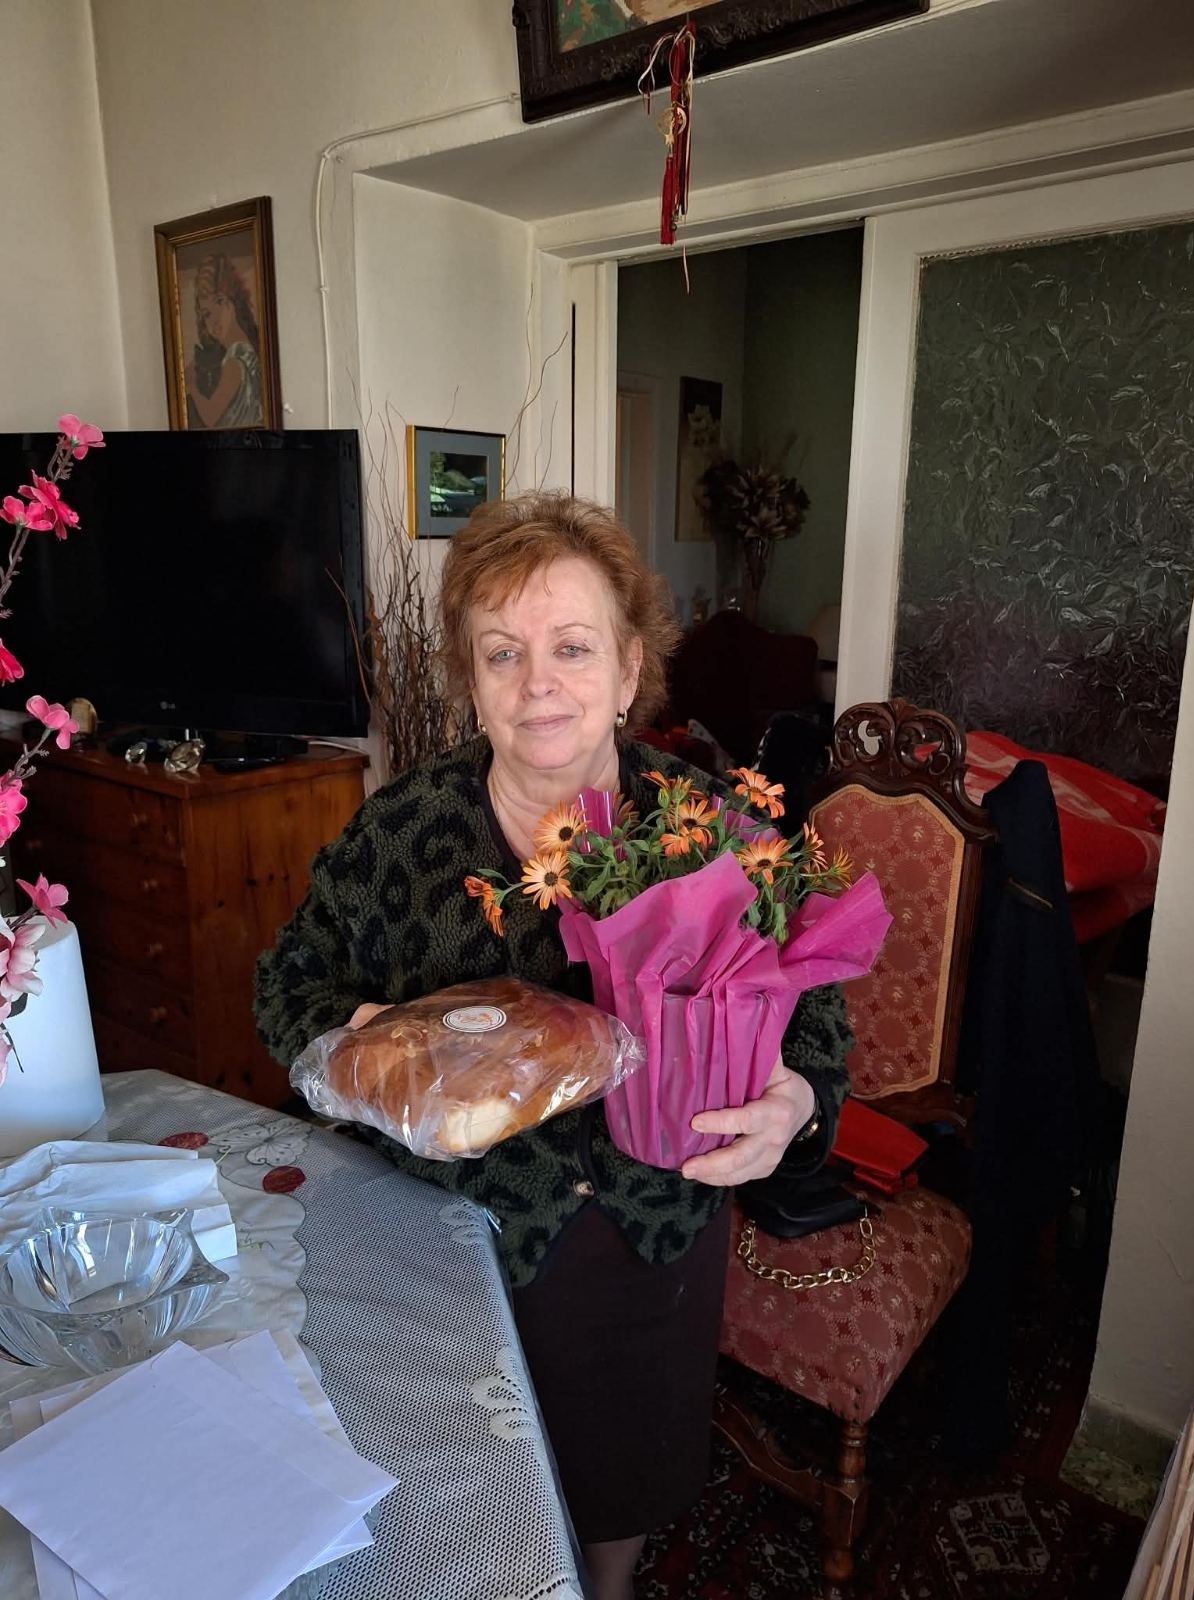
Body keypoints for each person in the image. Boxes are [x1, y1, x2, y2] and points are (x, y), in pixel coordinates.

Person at [254, 492, 852, 1600]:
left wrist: (794, 1102)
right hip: (440, 1238)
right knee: (455, 1500)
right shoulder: (400, 834)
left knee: (619, 1477)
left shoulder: (716, 830)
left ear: (629, 671)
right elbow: (288, 985)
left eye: (572, 647)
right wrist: (368, 1044)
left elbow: (817, 1010)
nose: (538, 683)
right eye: (503, 653)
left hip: (648, 1232)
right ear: (471, 679)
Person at [185, 253, 263, 428]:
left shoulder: (236, 361)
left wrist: (192, 385)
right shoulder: (247, 351)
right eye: (206, 314)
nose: (212, 321)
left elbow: (211, 417)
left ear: (231, 301)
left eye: (219, 302)